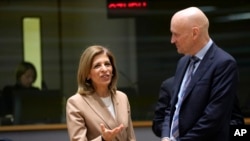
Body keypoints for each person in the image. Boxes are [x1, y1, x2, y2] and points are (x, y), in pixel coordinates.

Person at [161, 7, 241, 141]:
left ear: (195, 33)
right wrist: (165, 136)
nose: (172, 40)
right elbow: (173, 106)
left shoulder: (224, 64)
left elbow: (213, 118)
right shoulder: (183, 62)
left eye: (176, 34)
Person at [66, 45, 136, 141]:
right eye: (97, 66)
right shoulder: (76, 103)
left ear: (113, 70)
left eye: (107, 64)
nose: (104, 69)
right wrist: (103, 139)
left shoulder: (122, 97)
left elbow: (131, 137)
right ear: (87, 74)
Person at [152, 77, 244, 138]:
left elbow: (238, 122)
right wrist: (174, 133)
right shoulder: (169, 85)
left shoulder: (221, 85)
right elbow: (158, 123)